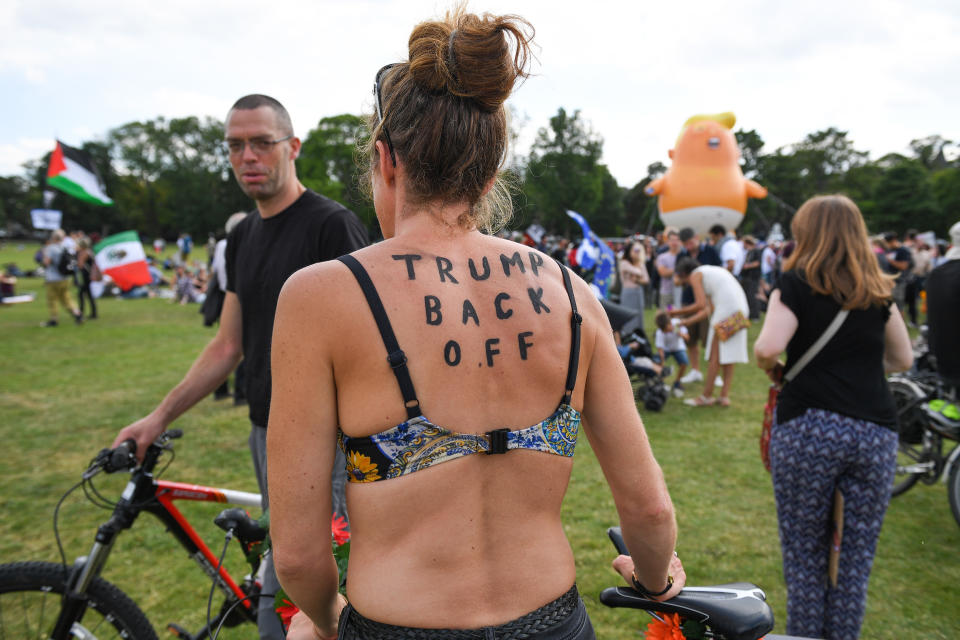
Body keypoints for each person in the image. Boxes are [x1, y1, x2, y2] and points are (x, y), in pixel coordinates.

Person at [267, 9, 684, 640]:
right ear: (489, 175)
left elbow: (297, 554)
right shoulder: (574, 296)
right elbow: (649, 507)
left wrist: (325, 623)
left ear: (387, 161)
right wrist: (655, 581)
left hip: (396, 625)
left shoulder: (322, 297)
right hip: (552, 623)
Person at [112, 94, 369, 640]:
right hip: (266, 430)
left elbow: (367, 345)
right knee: (289, 567)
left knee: (324, 584)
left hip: (329, 441)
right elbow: (228, 346)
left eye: (261, 142)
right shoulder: (240, 236)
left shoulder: (332, 226)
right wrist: (156, 418)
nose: (247, 156)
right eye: (235, 145)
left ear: (292, 147)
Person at [753, 195, 912, 640]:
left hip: (809, 426)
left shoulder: (797, 282)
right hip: (875, 431)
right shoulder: (878, 291)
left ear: (808, 234)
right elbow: (901, 359)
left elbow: (766, 347)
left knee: (806, 561)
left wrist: (777, 370)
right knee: (853, 567)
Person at [670, 257, 749, 407]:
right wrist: (687, 321)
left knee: (715, 356)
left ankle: (706, 396)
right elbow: (708, 308)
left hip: (727, 312)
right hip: (741, 311)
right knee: (728, 355)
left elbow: (700, 304)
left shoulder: (695, 275)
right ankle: (724, 396)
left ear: (683, 273)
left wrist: (676, 312)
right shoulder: (710, 272)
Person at [676, 227, 721, 384]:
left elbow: (719, 272)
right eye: (685, 244)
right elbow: (677, 278)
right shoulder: (682, 255)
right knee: (690, 339)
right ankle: (695, 370)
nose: (688, 247)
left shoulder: (711, 251)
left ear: (697, 237)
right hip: (688, 299)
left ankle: (715, 373)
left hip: (708, 301)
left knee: (709, 338)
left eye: (690, 243)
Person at [41, 229, 83, 327]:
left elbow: (46, 262)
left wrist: (43, 259)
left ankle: (54, 319)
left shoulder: (51, 248)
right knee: (66, 298)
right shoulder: (66, 247)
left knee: (52, 299)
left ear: (53, 238)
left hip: (53, 278)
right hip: (65, 277)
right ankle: (77, 313)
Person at [654, 310, 689, 397]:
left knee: (684, 363)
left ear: (670, 323)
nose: (666, 332)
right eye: (664, 330)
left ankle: (677, 382)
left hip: (678, 348)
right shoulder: (660, 332)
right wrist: (662, 362)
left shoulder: (677, 324)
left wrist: (678, 332)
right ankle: (660, 382)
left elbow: (687, 338)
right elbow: (660, 349)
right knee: (657, 361)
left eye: (667, 329)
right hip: (666, 349)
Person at [618, 238, 649, 333]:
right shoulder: (624, 263)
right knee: (628, 315)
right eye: (635, 250)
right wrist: (638, 274)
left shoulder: (640, 263)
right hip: (628, 293)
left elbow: (646, 280)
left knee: (639, 316)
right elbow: (638, 272)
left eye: (639, 251)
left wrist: (637, 280)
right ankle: (627, 334)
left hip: (638, 292)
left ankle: (638, 334)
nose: (637, 253)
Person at [655, 229, 682, 309]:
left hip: (681, 293)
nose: (674, 243)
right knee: (668, 315)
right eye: (672, 240)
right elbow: (663, 272)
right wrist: (680, 270)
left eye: (677, 240)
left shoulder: (684, 255)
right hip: (667, 293)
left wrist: (670, 270)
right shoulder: (662, 257)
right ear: (667, 242)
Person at [76, 236, 98, 319]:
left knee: (81, 294)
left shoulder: (83, 252)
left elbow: (80, 265)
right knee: (89, 294)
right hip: (89, 275)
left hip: (85, 275)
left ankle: (81, 312)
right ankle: (93, 313)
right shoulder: (90, 251)